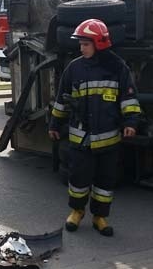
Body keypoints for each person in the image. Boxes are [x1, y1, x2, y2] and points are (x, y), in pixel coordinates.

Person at [48, 18, 142, 237]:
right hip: (80, 140)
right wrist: (55, 124)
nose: (81, 48)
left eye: (85, 44)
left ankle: (100, 216)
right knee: (78, 179)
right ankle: (77, 211)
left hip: (108, 140)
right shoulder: (75, 68)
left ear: (99, 43)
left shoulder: (117, 68)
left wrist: (131, 123)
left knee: (105, 181)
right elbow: (62, 99)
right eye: (80, 44)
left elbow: (129, 98)